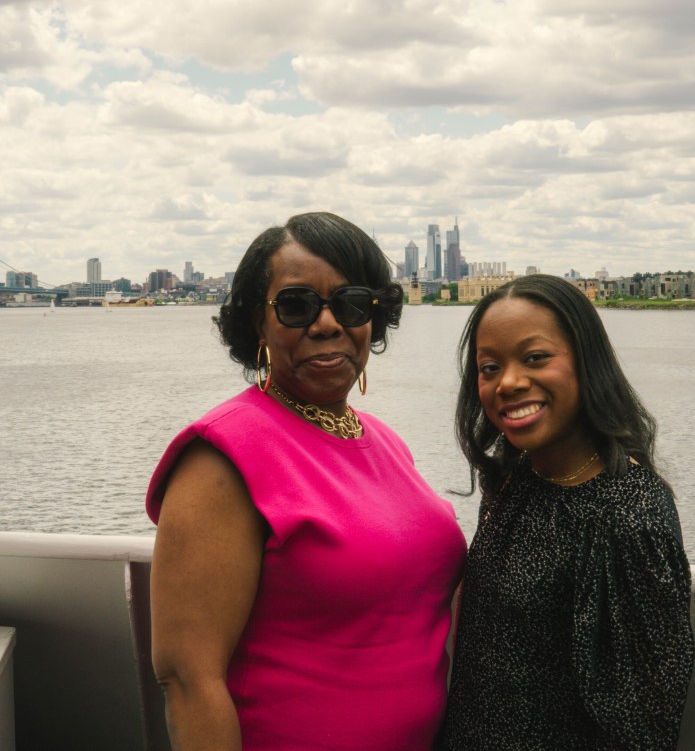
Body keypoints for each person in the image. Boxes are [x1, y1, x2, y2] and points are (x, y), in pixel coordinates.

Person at [147, 211, 466, 751]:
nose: (326, 324)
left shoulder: (384, 441)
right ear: (257, 322)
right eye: (296, 305)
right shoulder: (221, 459)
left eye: (350, 303)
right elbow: (188, 682)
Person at [443, 274, 694, 751]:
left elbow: (643, 722)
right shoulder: (517, 479)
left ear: (586, 362)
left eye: (535, 358)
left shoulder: (626, 516)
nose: (509, 382)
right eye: (489, 367)